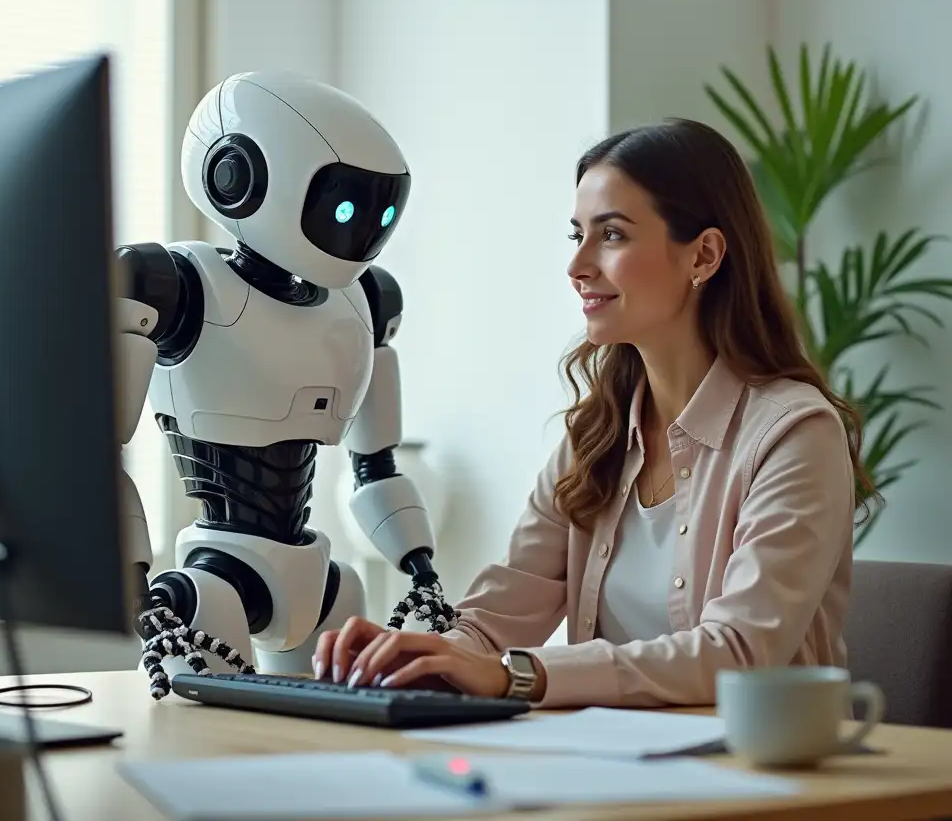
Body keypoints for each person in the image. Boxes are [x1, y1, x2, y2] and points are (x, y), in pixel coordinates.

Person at [313, 118, 871, 709]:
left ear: (703, 255)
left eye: (612, 235)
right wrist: (422, 655)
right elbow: (502, 611)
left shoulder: (793, 434)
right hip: (611, 766)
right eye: (576, 234)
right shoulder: (596, 435)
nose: (577, 265)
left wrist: (515, 677)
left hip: (757, 781)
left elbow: (738, 652)